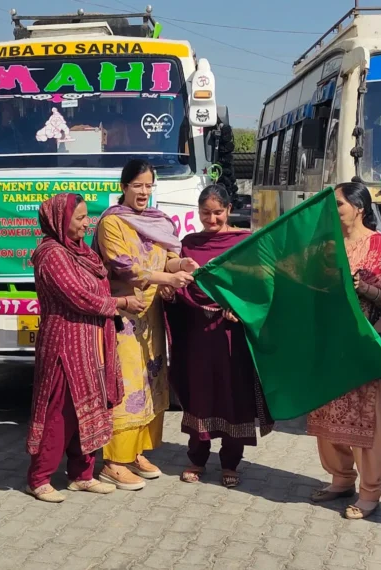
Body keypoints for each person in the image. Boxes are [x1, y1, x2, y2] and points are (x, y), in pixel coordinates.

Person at [93, 158, 197, 490]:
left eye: (149, 186)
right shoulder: (112, 223)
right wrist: (168, 275)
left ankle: (136, 451)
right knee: (126, 385)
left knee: (151, 382)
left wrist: (181, 262)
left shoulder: (157, 220)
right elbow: (126, 268)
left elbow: (166, 254)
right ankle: (113, 461)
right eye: (137, 185)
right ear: (123, 187)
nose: (143, 192)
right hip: (123, 317)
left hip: (151, 315)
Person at [306, 181, 381, 520]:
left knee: (368, 423)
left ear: (359, 208)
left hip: (364, 349)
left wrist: (362, 286)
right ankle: (340, 479)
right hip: (330, 346)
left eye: (338, 204)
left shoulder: (377, 245)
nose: (333, 210)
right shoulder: (326, 245)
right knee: (327, 415)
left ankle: (369, 492)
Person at [165, 184, 273, 489]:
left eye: (217, 212)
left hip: (231, 335)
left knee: (232, 395)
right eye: (205, 213)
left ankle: (230, 462)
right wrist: (170, 293)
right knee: (199, 393)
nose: (211, 219)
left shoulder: (243, 243)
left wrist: (238, 308)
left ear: (228, 210)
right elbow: (183, 285)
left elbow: (256, 285)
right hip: (198, 333)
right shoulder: (189, 244)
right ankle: (197, 458)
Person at [25, 193, 127, 502]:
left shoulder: (83, 252)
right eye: (80, 218)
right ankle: (39, 477)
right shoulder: (51, 254)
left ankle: (82, 474)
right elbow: (79, 296)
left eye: (87, 216)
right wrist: (120, 303)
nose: (87, 223)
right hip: (64, 346)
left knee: (93, 408)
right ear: (60, 220)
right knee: (60, 412)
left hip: (92, 344)